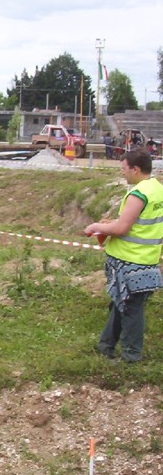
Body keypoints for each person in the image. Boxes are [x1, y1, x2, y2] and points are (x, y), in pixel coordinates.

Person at [84, 149, 163, 363]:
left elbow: (122, 229)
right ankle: (105, 345)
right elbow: (140, 224)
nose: (122, 173)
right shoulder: (157, 189)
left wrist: (96, 226)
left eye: (124, 168)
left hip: (130, 261)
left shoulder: (139, 194)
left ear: (135, 169)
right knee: (120, 303)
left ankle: (131, 357)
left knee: (130, 309)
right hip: (147, 259)